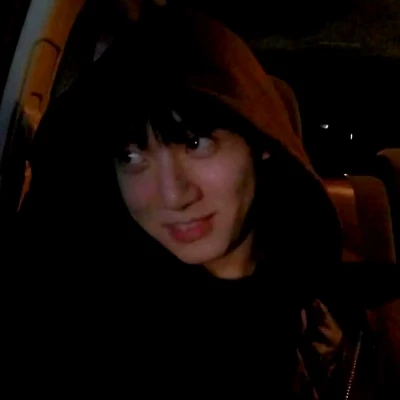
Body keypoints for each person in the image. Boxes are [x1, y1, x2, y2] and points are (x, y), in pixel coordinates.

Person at [11, 3, 400, 399]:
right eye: (131, 156)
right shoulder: (85, 319)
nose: (173, 195)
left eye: (196, 143)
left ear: (260, 141)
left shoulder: (357, 312)